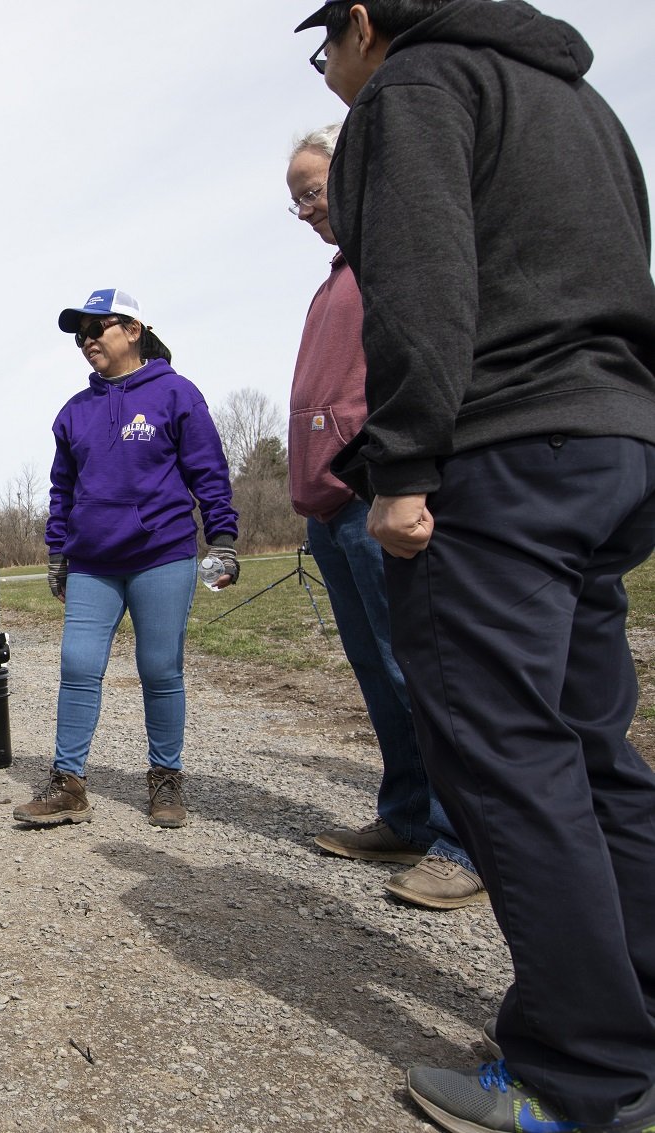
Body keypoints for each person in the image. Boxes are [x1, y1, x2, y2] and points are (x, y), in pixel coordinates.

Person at [301, 1, 655, 1128]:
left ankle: (579, 1076)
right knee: (592, 750)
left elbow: (418, 286)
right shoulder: (577, 101)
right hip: (610, 443)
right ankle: (631, 1017)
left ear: (365, 23)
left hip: (498, 455)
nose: (327, 68)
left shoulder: (413, 91)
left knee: (507, 759)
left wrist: (400, 467)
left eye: (325, 46)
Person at [283, 122, 484, 912]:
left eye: (312, 189)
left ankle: (461, 839)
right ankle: (405, 814)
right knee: (376, 670)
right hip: (329, 508)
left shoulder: (397, 259)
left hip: (381, 496)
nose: (303, 208)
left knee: (423, 671)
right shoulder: (334, 279)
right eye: (294, 197)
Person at [14, 289, 238, 831]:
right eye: (79, 333)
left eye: (98, 328)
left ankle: (165, 778)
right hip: (93, 561)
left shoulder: (176, 394)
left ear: (133, 329)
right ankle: (69, 783)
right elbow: (61, 489)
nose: (87, 340)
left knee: (159, 668)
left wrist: (223, 539)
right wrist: (58, 552)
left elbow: (208, 470)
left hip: (162, 553)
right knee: (77, 665)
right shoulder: (75, 412)